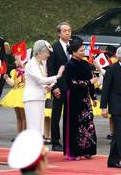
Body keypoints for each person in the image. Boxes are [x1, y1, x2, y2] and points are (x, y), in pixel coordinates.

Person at [64, 37, 98, 160]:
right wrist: (89, 82)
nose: (83, 53)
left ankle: (88, 150)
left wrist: (93, 96)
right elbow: (72, 82)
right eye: (80, 51)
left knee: (88, 123)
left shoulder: (85, 64)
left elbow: (92, 81)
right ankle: (75, 152)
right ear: (73, 51)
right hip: (73, 98)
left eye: (84, 50)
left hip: (85, 98)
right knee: (75, 124)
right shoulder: (69, 65)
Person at [23, 40, 65, 135]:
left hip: (40, 96)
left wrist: (48, 86)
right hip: (32, 98)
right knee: (34, 126)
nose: (48, 55)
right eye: (47, 53)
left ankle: (38, 147)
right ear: (39, 52)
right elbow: (40, 79)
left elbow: (42, 82)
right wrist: (57, 76)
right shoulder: (31, 64)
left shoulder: (40, 64)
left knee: (39, 127)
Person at [47, 22, 72, 151]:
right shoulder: (54, 48)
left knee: (70, 115)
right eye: (65, 31)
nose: (67, 33)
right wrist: (54, 86)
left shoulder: (73, 46)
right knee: (56, 114)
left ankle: (68, 140)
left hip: (72, 86)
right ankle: (55, 141)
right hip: (59, 86)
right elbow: (50, 69)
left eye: (69, 30)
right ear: (59, 33)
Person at [0, 55, 26, 141]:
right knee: (18, 116)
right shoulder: (15, 71)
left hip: (23, 94)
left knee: (23, 116)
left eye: (16, 60)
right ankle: (19, 134)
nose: (15, 62)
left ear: (22, 60)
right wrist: (7, 79)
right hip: (15, 94)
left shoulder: (28, 71)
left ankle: (24, 135)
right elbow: (13, 84)